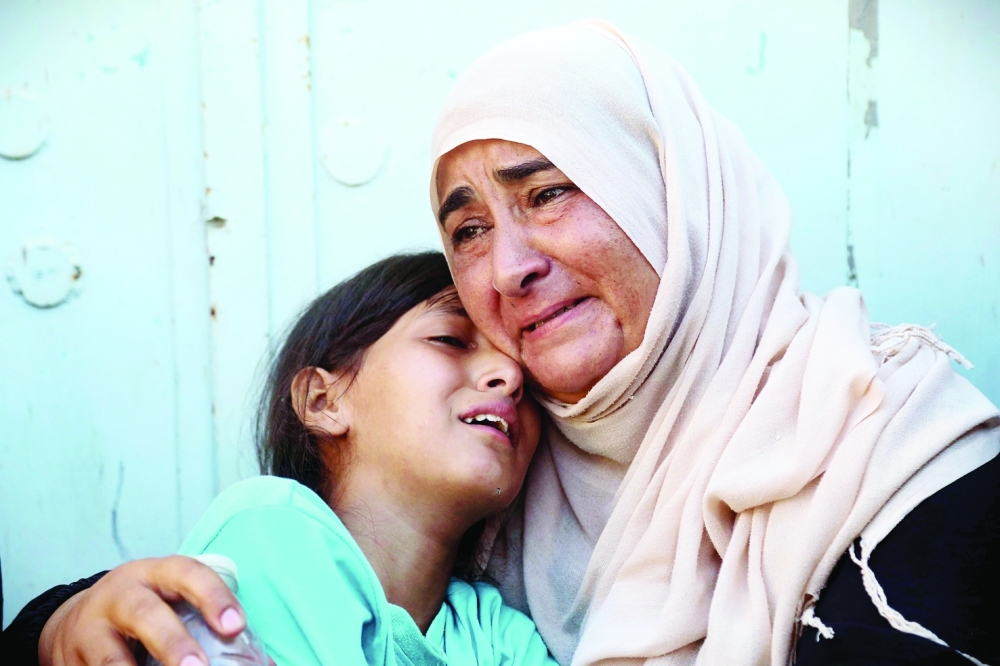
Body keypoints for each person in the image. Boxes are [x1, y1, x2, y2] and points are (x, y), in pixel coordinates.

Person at [7, 20, 999, 666]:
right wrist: (60, 631)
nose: (506, 269)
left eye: (547, 191)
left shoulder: (882, 440)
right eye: (467, 226)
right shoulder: (510, 496)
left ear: (671, 197)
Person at [5, 252, 555, 666]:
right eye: (450, 339)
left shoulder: (498, 632)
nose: (509, 376)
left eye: (523, 374)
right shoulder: (273, 530)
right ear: (323, 400)